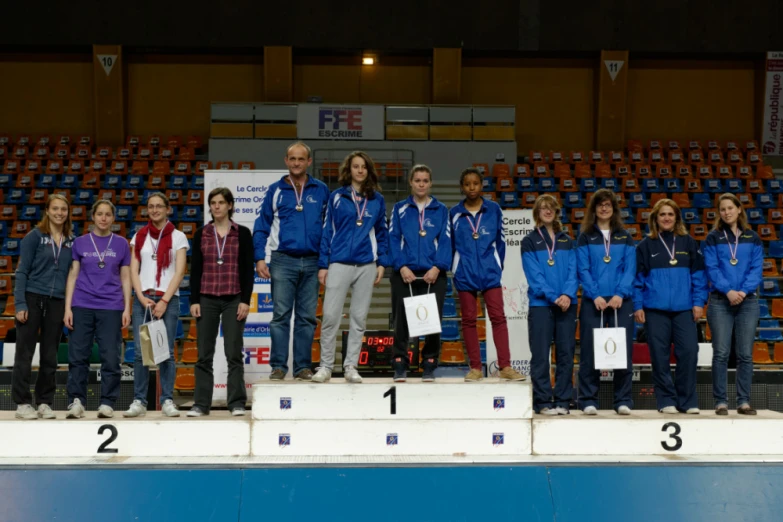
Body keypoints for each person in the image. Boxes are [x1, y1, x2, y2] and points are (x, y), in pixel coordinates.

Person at [253, 141, 330, 382]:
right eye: (292, 159)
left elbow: (329, 229)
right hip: (282, 261)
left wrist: (325, 262)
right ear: (286, 161)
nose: (296, 163)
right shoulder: (275, 190)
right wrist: (259, 258)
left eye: (301, 159)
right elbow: (261, 226)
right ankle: (278, 366)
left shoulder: (321, 190)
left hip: (312, 261)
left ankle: (302, 368)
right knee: (280, 316)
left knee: (307, 318)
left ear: (309, 162)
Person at [312, 151, 390, 384]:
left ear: (369, 171)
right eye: (355, 166)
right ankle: (326, 366)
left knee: (358, 318)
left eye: (364, 167)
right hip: (338, 263)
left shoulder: (377, 199)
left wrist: (382, 263)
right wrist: (323, 264)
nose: (360, 170)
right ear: (349, 170)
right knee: (330, 317)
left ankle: (351, 366)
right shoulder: (336, 197)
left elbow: (383, 233)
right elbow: (327, 231)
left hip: (366, 264)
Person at [450, 167, 525, 383]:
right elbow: (452, 245)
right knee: (469, 320)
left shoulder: (494, 209)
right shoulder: (454, 213)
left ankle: (505, 366)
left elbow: (501, 242)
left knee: (498, 318)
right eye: (467, 184)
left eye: (475, 183)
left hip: (490, 272)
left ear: (481, 185)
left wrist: (496, 265)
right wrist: (456, 268)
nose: (472, 187)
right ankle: (474, 368)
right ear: (462, 187)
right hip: (465, 273)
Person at [634, 198, 708, 414]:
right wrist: (638, 306)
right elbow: (637, 280)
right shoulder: (645, 246)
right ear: (655, 219)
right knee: (659, 355)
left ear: (676, 218)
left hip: (684, 309)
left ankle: (687, 401)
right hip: (655, 310)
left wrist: (698, 302)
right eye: (662, 214)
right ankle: (666, 399)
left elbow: (699, 277)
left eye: (670, 214)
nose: (666, 218)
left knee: (689, 352)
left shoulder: (688, 243)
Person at [188, 187, 254, 417]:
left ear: (230, 205)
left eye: (221, 202)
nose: (216, 206)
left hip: (233, 299)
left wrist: (245, 300)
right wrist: (194, 299)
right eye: (213, 203)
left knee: (233, 352)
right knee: (204, 354)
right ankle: (201, 404)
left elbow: (248, 270)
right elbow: (195, 269)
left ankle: (236, 402)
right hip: (206, 298)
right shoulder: (202, 234)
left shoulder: (243, 233)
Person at [64, 200, 132, 418]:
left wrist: (127, 308)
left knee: (111, 357)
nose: (103, 218)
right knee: (78, 356)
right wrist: (68, 308)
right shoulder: (80, 242)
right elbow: (73, 275)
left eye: (108, 214)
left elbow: (126, 277)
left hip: (111, 306)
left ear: (113, 218)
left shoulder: (121, 243)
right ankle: (77, 401)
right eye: (99, 214)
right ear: (93, 217)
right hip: (82, 304)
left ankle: (107, 402)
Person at [123, 193, 189, 418]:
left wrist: (164, 301)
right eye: (151, 206)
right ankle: (139, 401)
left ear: (168, 209)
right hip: (143, 300)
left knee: (166, 352)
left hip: (167, 301)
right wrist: (140, 297)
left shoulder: (178, 237)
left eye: (159, 206)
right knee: (141, 354)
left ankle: (167, 399)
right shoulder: (138, 236)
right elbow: (133, 269)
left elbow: (180, 271)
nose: (155, 210)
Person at [12, 194, 74, 420]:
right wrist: (20, 303)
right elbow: (22, 272)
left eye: (63, 210)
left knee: (50, 355)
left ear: (68, 213)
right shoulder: (34, 237)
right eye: (55, 209)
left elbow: (72, 275)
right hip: (32, 299)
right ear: (47, 211)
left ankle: (45, 402)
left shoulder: (71, 241)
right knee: (24, 353)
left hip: (56, 301)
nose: (59, 213)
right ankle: (22, 403)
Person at [575, 189, 636, 415]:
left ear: (614, 209)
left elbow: (630, 269)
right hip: (595, 301)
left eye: (608, 205)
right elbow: (583, 268)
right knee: (591, 350)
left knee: (622, 350)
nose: (604, 208)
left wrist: (620, 294)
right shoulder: (585, 237)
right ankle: (588, 400)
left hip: (621, 300)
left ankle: (623, 400)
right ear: (594, 209)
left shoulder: (625, 235)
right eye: (600, 205)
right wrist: (594, 294)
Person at [389, 164, 451, 382]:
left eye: (425, 180)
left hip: (432, 274)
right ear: (411, 183)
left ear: (430, 183)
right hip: (404, 272)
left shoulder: (441, 210)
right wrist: (401, 266)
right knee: (401, 321)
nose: (421, 184)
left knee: (432, 321)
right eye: (417, 180)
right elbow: (393, 239)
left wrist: (437, 267)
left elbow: (446, 240)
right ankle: (399, 364)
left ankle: (429, 363)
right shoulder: (399, 209)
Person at [703, 193, 763, 415]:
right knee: (721, 353)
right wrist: (728, 291)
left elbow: (756, 270)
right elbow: (712, 268)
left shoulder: (753, 238)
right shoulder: (712, 238)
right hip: (720, 301)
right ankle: (720, 402)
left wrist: (743, 291)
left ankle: (743, 401)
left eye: (730, 208)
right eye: (722, 209)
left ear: (739, 209)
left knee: (745, 354)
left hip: (747, 302)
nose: (726, 212)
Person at [522, 194, 578, 414]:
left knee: (565, 354)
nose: (547, 211)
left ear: (556, 212)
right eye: (543, 208)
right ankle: (543, 402)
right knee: (540, 355)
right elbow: (534, 276)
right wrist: (554, 296)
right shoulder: (529, 241)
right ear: (537, 212)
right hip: (541, 305)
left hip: (566, 304)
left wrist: (567, 294)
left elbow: (574, 271)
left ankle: (563, 401)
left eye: (551, 208)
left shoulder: (566, 240)